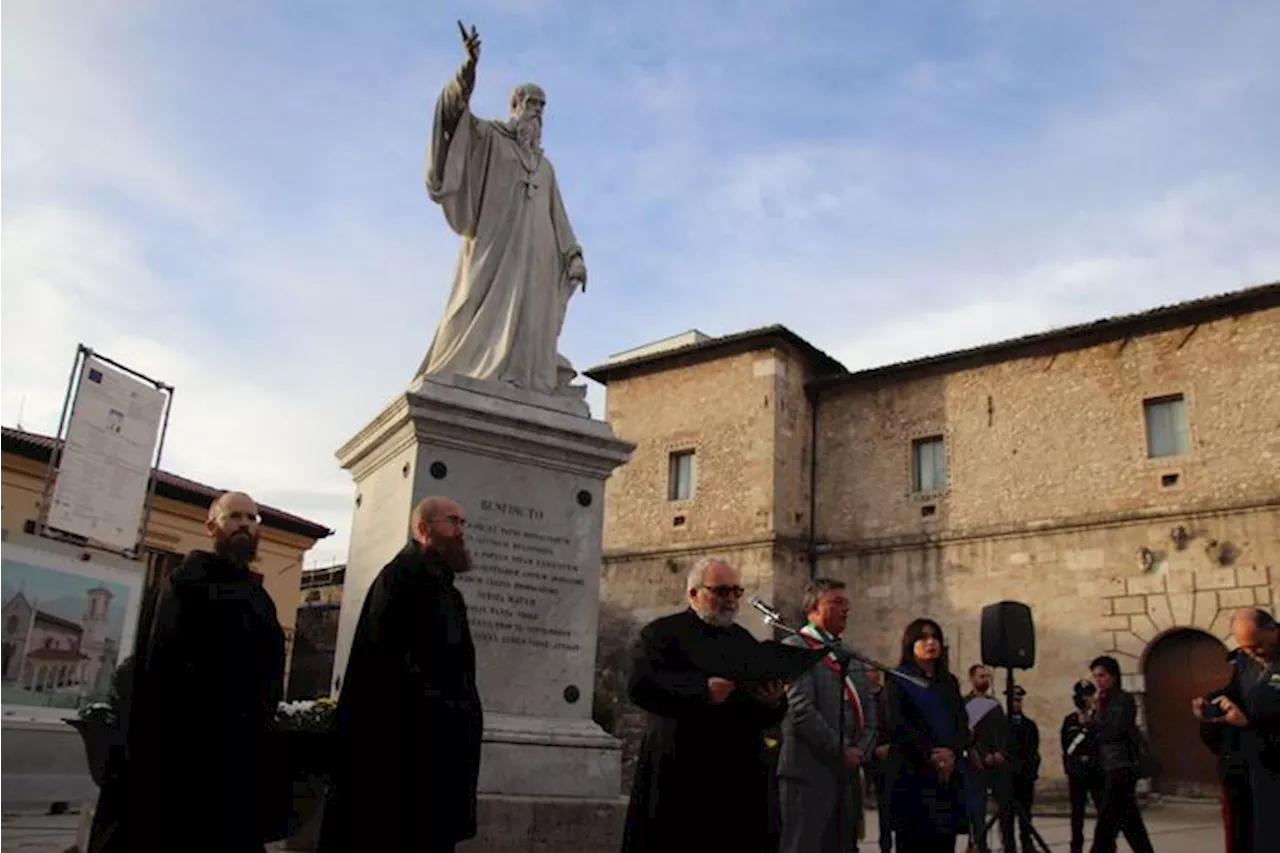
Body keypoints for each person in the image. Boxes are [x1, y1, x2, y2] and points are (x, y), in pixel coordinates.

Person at [416, 21, 588, 395]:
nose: (538, 113)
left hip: (537, 258)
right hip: (495, 246)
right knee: (470, 308)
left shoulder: (544, 166)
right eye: (532, 104)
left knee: (531, 318)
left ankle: (524, 377)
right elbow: (452, 115)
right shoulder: (490, 138)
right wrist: (468, 70)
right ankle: (474, 365)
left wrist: (572, 254)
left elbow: (559, 216)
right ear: (514, 105)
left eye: (543, 107)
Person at [120, 491, 287, 853]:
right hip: (190, 746)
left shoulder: (259, 595)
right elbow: (163, 661)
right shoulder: (186, 582)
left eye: (252, 518)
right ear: (212, 526)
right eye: (235, 516)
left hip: (243, 745)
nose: (245, 524)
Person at [318, 496, 482, 853]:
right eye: (453, 522)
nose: (461, 532)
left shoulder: (447, 592)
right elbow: (384, 667)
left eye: (463, 523)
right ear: (424, 530)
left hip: (437, 754)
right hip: (403, 757)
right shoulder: (400, 581)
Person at [621, 557, 788, 852]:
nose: (731, 600)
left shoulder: (744, 641)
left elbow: (762, 712)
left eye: (736, 592)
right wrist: (702, 691)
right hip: (678, 774)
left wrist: (773, 701)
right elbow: (640, 688)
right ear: (694, 593)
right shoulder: (662, 634)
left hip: (737, 778)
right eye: (721, 591)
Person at [777, 578, 878, 853]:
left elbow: (869, 706)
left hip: (846, 776)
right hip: (808, 772)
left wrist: (861, 749)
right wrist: (840, 750)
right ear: (813, 609)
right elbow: (800, 708)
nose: (845, 610)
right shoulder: (796, 647)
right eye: (836, 603)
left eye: (847, 605)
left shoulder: (852, 654)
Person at [1195, 607, 1280, 853]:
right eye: (1245, 648)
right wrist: (1212, 702)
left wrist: (1249, 723)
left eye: (1257, 646)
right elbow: (1236, 692)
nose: (1252, 654)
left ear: (1272, 630)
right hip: (1253, 765)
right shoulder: (1245, 659)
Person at [883, 618, 970, 853]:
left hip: (946, 780)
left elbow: (961, 724)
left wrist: (951, 752)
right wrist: (932, 755)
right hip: (913, 776)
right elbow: (898, 725)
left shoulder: (949, 682)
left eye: (935, 637)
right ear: (910, 644)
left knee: (944, 843)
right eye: (923, 638)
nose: (930, 642)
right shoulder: (898, 679)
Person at [1085, 655, 1155, 853]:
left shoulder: (1122, 699)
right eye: (1095, 676)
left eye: (1102, 675)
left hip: (1121, 766)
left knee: (1108, 821)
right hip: (1107, 766)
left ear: (1113, 676)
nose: (1099, 681)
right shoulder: (1103, 700)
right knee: (1128, 820)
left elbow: (1114, 731)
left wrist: (1096, 714)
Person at [963, 664, 1014, 853]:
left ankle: (1008, 845)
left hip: (998, 763)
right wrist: (983, 755)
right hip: (976, 765)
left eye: (987, 676)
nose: (985, 679)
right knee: (977, 809)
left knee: (1005, 807)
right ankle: (979, 846)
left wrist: (1000, 752)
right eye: (981, 676)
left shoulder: (996, 705)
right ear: (972, 679)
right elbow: (967, 735)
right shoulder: (965, 705)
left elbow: (1003, 733)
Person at [1061, 679, 1103, 853]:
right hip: (1077, 773)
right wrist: (1070, 769)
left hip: (1096, 770)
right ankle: (1075, 847)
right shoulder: (1070, 720)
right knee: (1077, 814)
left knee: (1103, 811)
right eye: (1081, 696)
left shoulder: (1100, 719)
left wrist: (1089, 724)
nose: (1085, 700)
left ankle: (1102, 846)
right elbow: (1065, 747)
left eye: (1088, 695)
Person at [1006, 686, 1041, 853]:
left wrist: (1030, 772)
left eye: (1018, 700)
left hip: (1025, 777)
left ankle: (1026, 843)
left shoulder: (1029, 725)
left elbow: (1034, 751)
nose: (1016, 704)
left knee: (1025, 814)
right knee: (1007, 817)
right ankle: (1009, 846)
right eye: (1013, 700)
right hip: (1007, 778)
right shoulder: (1002, 724)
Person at [866, 668, 896, 853]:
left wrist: (889, 747)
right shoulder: (861, 696)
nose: (872, 674)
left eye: (875, 671)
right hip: (864, 754)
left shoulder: (887, 697)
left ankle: (886, 844)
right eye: (869, 671)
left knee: (886, 805)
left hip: (885, 758)